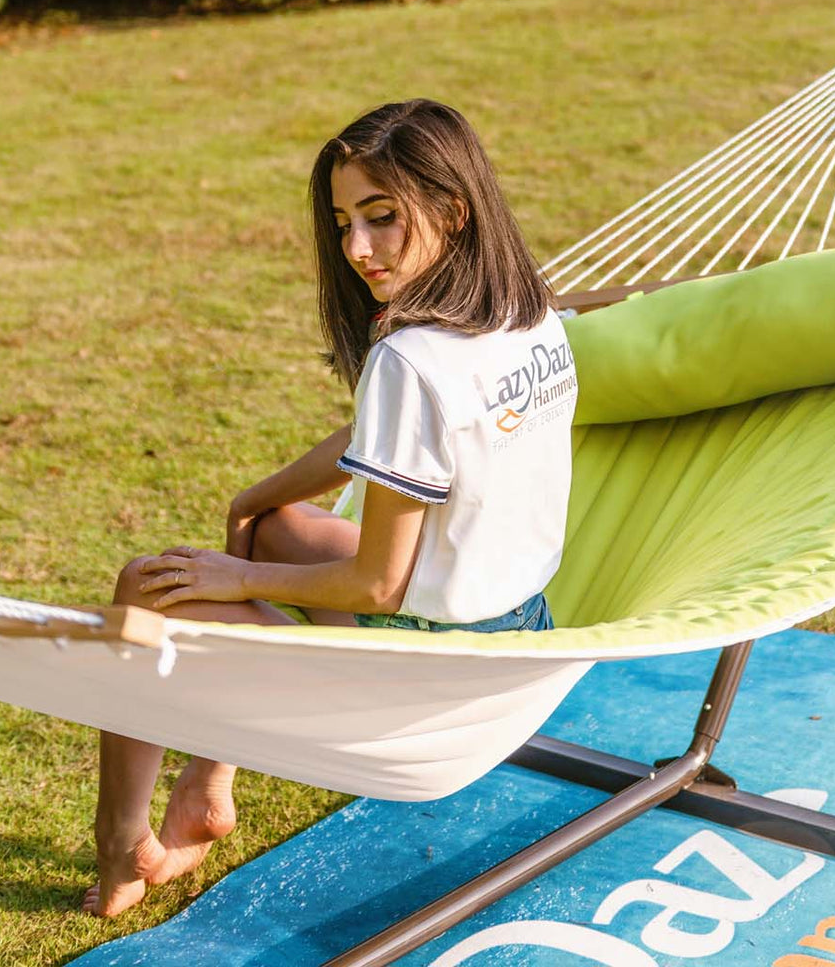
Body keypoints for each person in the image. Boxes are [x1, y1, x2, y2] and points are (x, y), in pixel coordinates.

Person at [83, 99, 578, 917]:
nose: (356, 249)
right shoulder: (531, 315)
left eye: (382, 218)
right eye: (345, 221)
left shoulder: (411, 361)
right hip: (519, 640)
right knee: (277, 526)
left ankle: (117, 841)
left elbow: (379, 586)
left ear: (453, 210)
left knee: (149, 585)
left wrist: (237, 576)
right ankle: (211, 779)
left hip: (420, 684)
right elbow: (387, 433)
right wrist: (256, 504)